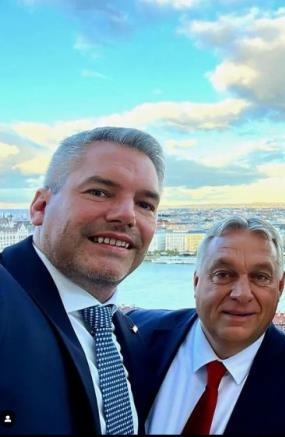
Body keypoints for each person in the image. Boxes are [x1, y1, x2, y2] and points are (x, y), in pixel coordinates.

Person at [0, 127, 165, 434]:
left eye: (145, 204)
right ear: (40, 207)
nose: (127, 215)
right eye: (99, 192)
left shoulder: (125, 337)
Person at [129, 216, 285, 435]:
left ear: (280, 287)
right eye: (223, 274)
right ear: (196, 282)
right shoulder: (133, 339)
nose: (242, 294)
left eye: (260, 277)